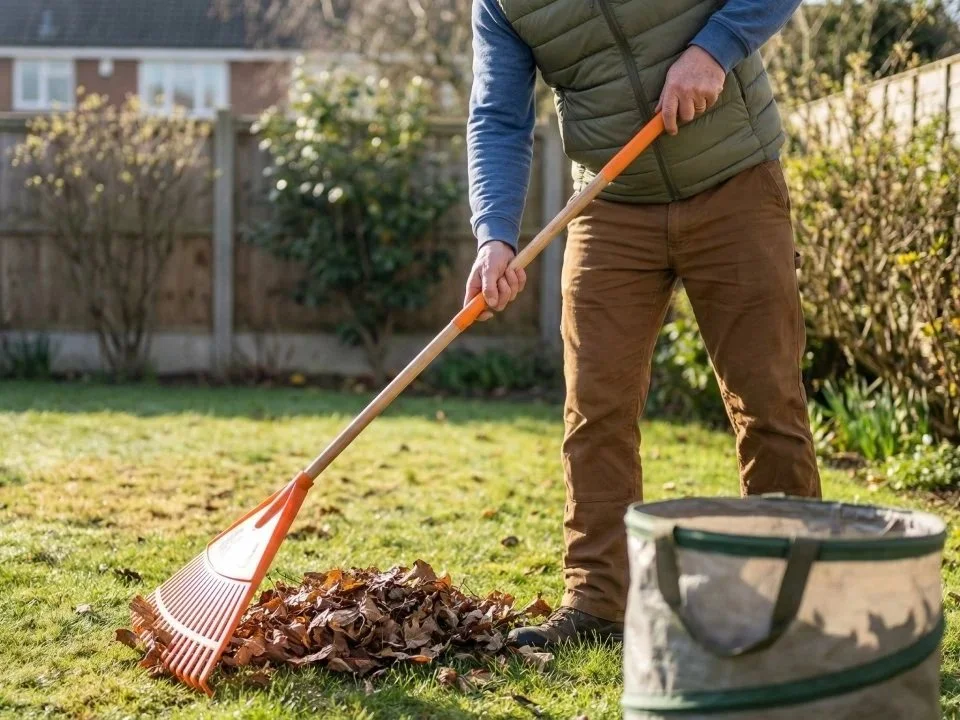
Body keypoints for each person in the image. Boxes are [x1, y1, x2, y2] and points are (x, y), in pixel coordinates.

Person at [463, 0, 822, 648]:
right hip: (611, 202)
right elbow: (496, 115)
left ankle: (790, 602)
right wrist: (494, 235)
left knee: (766, 398)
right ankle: (599, 604)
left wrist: (715, 48)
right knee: (595, 408)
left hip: (733, 180)